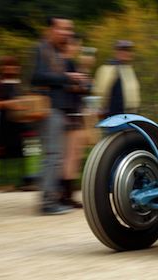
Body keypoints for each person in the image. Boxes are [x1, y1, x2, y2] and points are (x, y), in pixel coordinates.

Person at [31, 16, 86, 215]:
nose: (68, 33)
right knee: (52, 156)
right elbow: (36, 77)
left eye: (69, 29)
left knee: (56, 156)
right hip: (48, 109)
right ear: (52, 29)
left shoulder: (57, 52)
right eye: (63, 29)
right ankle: (47, 202)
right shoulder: (42, 49)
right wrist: (67, 78)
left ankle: (52, 198)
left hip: (59, 110)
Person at [59, 34, 92, 208]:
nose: (77, 48)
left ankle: (66, 193)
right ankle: (65, 195)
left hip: (74, 112)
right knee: (70, 155)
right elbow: (76, 87)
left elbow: (85, 87)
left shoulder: (69, 64)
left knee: (74, 154)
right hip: (70, 113)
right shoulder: (64, 64)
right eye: (75, 45)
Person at [0, 56, 27, 192]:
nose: (10, 68)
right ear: (2, 68)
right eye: (7, 66)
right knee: (4, 153)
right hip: (4, 123)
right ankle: (4, 182)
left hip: (18, 123)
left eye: (13, 66)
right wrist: (9, 104)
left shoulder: (19, 84)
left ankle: (21, 181)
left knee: (20, 152)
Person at [92, 40, 140, 117]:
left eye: (129, 50)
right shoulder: (107, 69)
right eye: (123, 50)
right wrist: (98, 110)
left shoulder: (129, 70)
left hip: (129, 116)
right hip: (112, 116)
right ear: (117, 52)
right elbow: (99, 92)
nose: (126, 53)